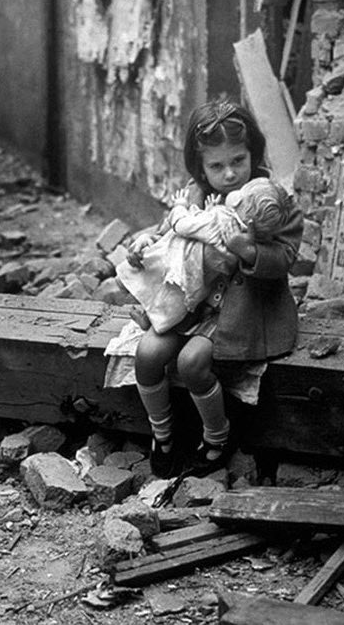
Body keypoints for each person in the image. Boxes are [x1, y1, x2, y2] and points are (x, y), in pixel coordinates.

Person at [128, 98, 303, 479]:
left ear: (252, 153)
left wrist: (250, 251)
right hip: (191, 303)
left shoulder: (271, 199)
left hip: (243, 310)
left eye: (238, 161)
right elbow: (169, 232)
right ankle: (163, 433)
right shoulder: (194, 194)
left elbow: (287, 255)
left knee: (192, 363)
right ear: (200, 166)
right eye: (216, 166)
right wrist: (144, 245)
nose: (229, 174)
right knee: (147, 354)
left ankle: (217, 437)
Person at [116, 177, 293, 335]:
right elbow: (215, 242)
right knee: (170, 306)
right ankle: (149, 320)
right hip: (200, 285)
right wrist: (211, 210)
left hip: (178, 268)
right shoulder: (244, 238)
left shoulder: (219, 221)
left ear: (241, 204)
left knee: (133, 280)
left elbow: (182, 225)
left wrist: (180, 205)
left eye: (242, 195)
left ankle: (135, 300)